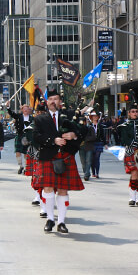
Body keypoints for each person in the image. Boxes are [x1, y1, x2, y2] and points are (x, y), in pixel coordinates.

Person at [32, 89, 84, 234]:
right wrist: (53, 140)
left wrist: (73, 135)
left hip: (65, 157)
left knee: (63, 189)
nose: (53, 101)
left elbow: (81, 132)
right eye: (50, 99)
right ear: (46, 102)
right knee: (47, 188)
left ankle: (61, 221)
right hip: (48, 156)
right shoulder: (40, 119)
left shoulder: (68, 116)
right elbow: (35, 137)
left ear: (60, 102)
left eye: (56, 99)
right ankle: (50, 219)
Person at [117, 103, 138, 206]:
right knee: (134, 173)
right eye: (132, 112)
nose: (135, 113)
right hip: (131, 151)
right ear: (129, 113)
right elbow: (125, 139)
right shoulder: (125, 125)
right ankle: (132, 197)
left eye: (136, 112)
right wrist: (137, 142)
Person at [7, 104, 32, 174]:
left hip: (28, 136)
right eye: (24, 109)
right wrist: (8, 107)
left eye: (27, 109)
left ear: (29, 110)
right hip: (20, 134)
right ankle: (21, 166)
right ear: (22, 110)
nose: (26, 110)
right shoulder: (19, 116)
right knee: (18, 151)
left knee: (26, 153)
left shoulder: (32, 118)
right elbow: (12, 114)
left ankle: (26, 167)